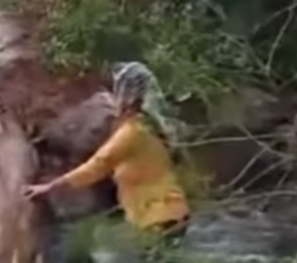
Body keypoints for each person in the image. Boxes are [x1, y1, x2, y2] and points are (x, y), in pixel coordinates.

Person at [25, 62, 190, 233]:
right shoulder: (145, 125)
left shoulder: (132, 133)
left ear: (127, 96)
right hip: (166, 215)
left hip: (160, 219)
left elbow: (97, 166)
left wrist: (49, 187)